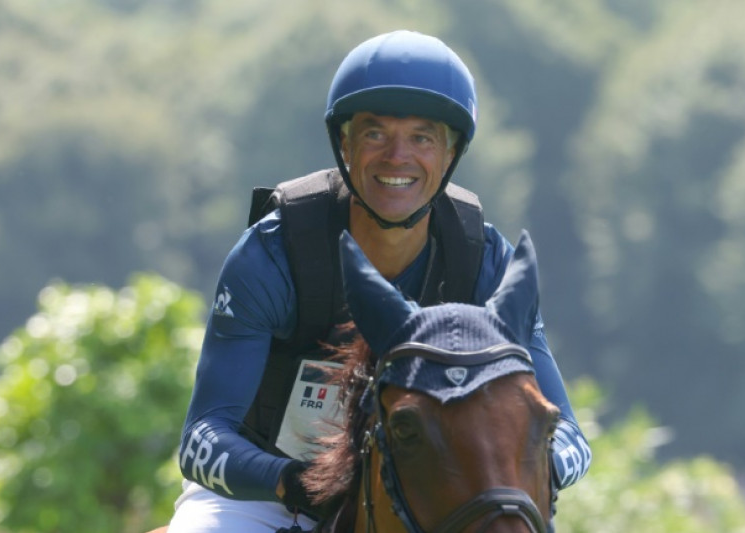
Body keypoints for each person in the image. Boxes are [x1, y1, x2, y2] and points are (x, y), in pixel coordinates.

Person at [167, 30, 591, 533]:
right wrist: (292, 482)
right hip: (266, 494)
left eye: (422, 138)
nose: (397, 156)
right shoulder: (272, 256)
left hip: (433, 494)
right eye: (374, 134)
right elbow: (201, 438)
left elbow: (570, 436)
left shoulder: (485, 263)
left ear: (451, 152)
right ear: (344, 145)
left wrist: (514, 480)